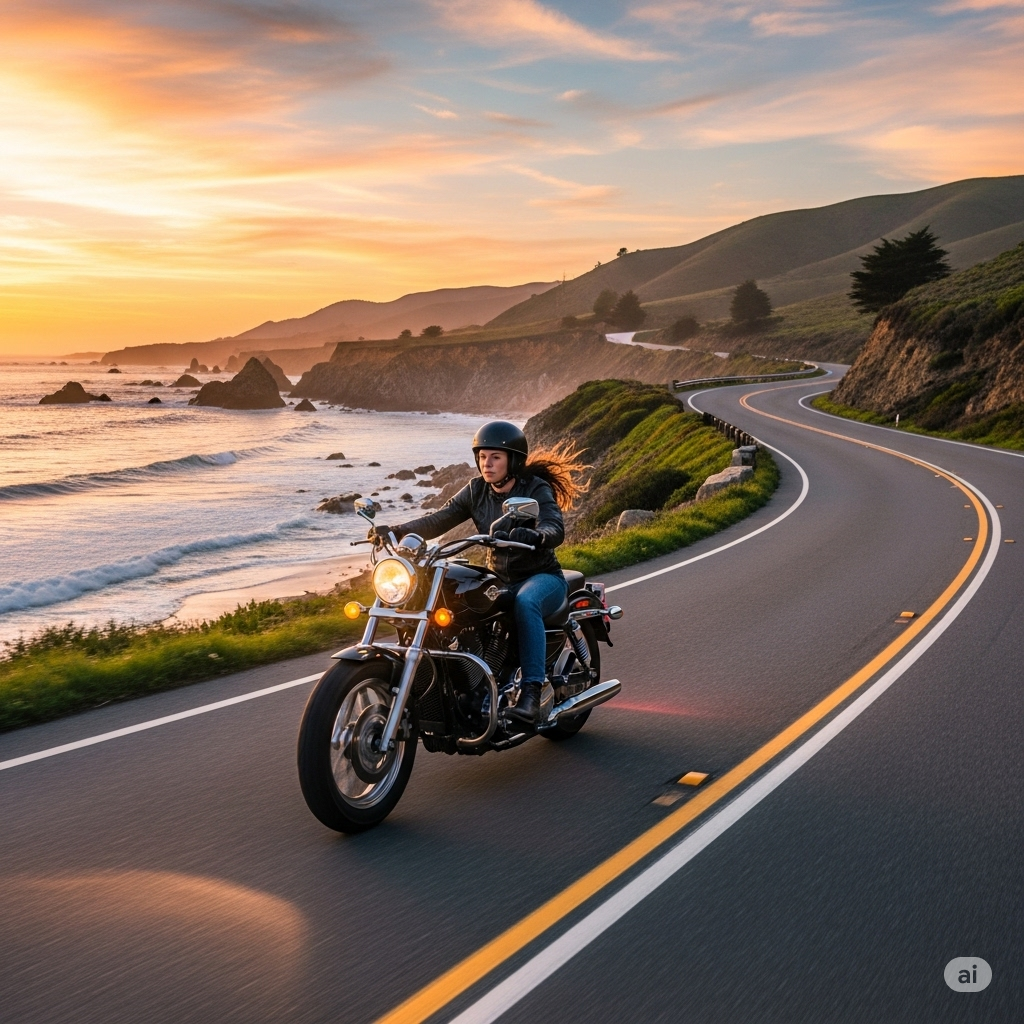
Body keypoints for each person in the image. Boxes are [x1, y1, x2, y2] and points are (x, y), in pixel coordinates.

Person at [369, 421, 586, 726]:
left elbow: (553, 525)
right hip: (500, 578)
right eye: (483, 456)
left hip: (541, 577)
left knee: (526, 602)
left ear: (513, 460)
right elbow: (440, 518)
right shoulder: (476, 490)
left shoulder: (535, 488)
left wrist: (537, 536)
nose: (487, 463)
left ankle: (530, 694)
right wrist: (397, 530)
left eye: (495, 457)